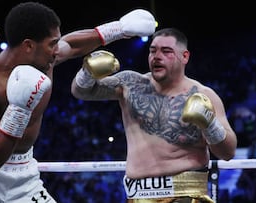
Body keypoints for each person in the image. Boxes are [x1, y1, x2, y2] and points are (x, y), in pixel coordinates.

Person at [0, 2, 156, 203]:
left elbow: (73, 45)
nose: (57, 50)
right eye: (52, 44)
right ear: (29, 46)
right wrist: (18, 110)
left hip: (23, 174)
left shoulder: (44, 60)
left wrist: (120, 28)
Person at [71, 27, 238, 202]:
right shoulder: (131, 84)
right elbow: (81, 91)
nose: (157, 56)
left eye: (166, 51)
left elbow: (228, 152)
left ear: (185, 56)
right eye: (152, 51)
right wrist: (87, 72)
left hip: (186, 195)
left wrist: (210, 124)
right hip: (138, 196)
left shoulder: (204, 95)